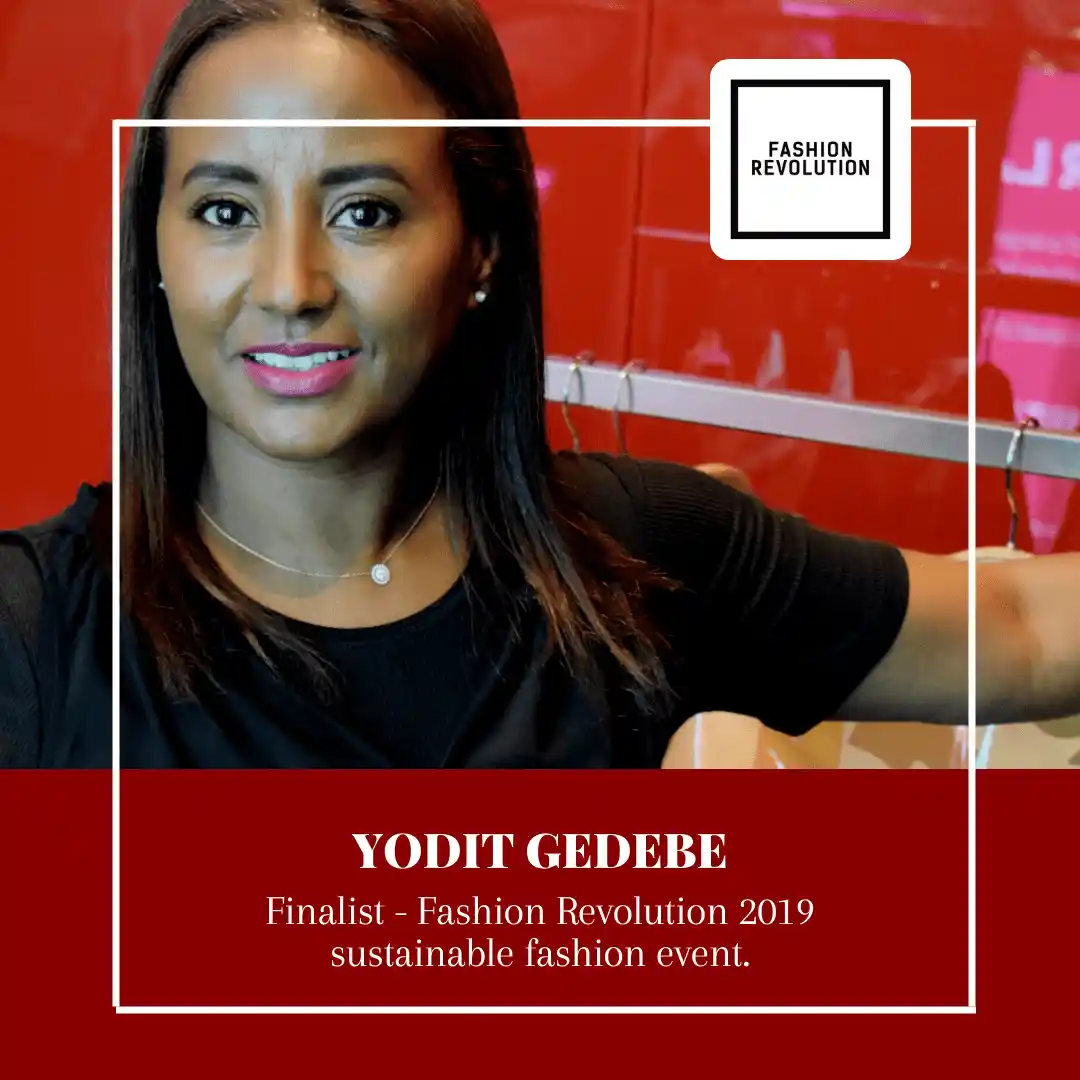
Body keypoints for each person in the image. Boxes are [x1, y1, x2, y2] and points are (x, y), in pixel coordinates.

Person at [1, 0, 1078, 770]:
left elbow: (1022, 627)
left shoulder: (637, 555)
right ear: (156, 244)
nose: (289, 286)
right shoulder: (33, 633)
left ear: (480, 249)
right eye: (226, 211)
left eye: (365, 211)